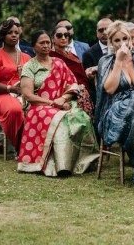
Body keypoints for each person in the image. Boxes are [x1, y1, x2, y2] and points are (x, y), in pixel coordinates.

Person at [18, 31, 99, 175]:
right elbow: (28, 96)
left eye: (48, 42)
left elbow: (73, 85)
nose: (45, 46)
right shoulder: (29, 66)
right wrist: (53, 103)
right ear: (33, 47)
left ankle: (82, 163)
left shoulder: (59, 63)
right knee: (61, 122)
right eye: (41, 43)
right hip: (39, 106)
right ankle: (61, 166)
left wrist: (63, 99)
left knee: (81, 117)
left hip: (62, 102)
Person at [95, 21, 134, 188]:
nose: (123, 44)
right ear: (111, 43)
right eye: (117, 40)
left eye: (125, 39)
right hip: (117, 108)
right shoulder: (106, 61)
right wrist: (119, 62)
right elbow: (110, 89)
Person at [0, 19, 32, 153]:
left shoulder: (27, 57)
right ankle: (21, 147)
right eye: (10, 32)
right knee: (15, 110)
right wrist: (12, 88)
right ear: (2, 35)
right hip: (1, 95)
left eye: (16, 32)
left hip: (25, 93)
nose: (14, 35)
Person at [50, 25, 94, 119]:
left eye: (66, 35)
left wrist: (80, 87)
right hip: (61, 94)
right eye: (59, 35)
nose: (63, 38)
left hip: (80, 91)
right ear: (52, 39)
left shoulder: (73, 56)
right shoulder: (50, 57)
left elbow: (82, 77)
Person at [82, 18, 113, 103]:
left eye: (108, 29)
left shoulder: (121, 49)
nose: (104, 32)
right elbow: (90, 83)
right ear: (97, 33)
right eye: (101, 30)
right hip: (100, 97)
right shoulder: (88, 54)